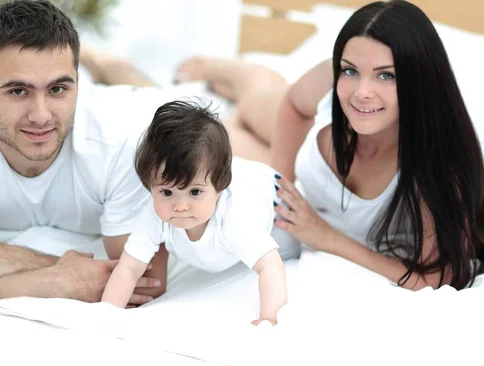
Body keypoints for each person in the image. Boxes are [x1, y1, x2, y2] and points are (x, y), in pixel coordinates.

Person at [85, 0, 484, 290]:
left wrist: (325, 236)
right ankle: (225, 69)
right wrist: (280, 180)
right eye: (350, 71)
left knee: (213, 137)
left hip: (312, 197)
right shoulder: (342, 79)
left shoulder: (439, 171)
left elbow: (435, 276)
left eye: (386, 76)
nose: (362, 91)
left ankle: (130, 74)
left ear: (420, 79)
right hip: (302, 149)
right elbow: (295, 104)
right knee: (260, 100)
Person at [0, 0, 169, 308]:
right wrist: (55, 278)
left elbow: (148, 282)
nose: (41, 116)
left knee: (227, 130)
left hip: (152, 107)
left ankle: (127, 68)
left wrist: (5, 256)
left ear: (78, 86)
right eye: (18, 91)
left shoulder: (123, 141)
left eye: (57, 89)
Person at [101, 100, 293, 325]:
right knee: (203, 165)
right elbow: (128, 268)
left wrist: (268, 317)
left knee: (290, 247)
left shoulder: (235, 218)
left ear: (220, 188)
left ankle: (242, 115)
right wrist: (105, 315)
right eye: (166, 192)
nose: (180, 206)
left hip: (273, 199)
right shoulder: (155, 214)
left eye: (194, 192)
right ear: (149, 187)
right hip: (219, 175)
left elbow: (270, 266)